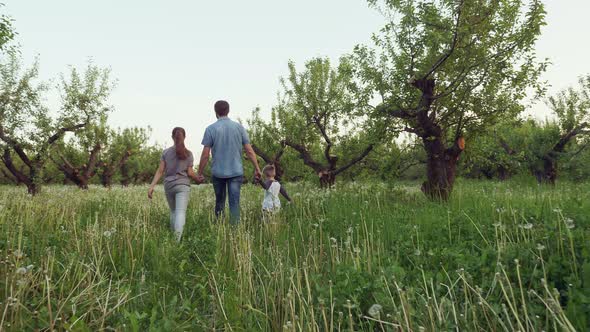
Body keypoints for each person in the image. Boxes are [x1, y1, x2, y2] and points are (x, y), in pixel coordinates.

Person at [196, 100, 262, 225]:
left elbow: (205, 155)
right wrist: (257, 168)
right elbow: (249, 150)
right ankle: (235, 233)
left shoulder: (210, 129)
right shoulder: (239, 127)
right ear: (228, 110)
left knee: (219, 202)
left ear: (215, 112)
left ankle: (219, 230)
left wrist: (199, 172)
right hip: (236, 172)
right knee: (234, 203)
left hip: (218, 173)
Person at [148, 127, 202, 241]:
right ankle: (177, 241)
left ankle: (173, 240)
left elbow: (160, 171)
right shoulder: (189, 154)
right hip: (182, 185)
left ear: (172, 137)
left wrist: (152, 186)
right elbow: (190, 173)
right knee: (180, 212)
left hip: (169, 185)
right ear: (185, 137)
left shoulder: (166, 153)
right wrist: (198, 179)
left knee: (173, 211)